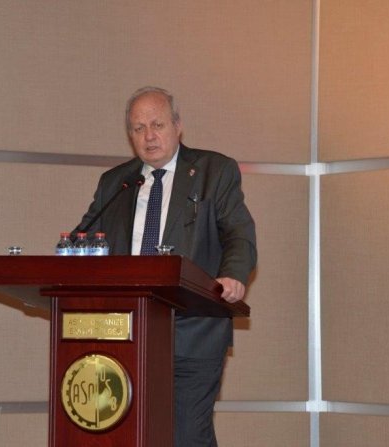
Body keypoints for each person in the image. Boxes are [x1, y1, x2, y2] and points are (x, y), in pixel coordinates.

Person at [73, 86, 257, 446]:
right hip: (127, 333)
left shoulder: (213, 171)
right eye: (138, 128)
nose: (149, 136)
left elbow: (239, 232)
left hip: (194, 331)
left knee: (186, 435)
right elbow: (87, 238)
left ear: (178, 125)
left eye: (157, 125)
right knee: (132, 434)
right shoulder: (116, 182)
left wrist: (233, 274)